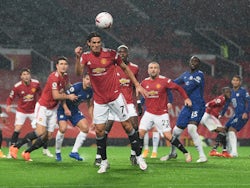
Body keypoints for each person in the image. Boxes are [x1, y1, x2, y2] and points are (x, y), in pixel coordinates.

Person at [75, 32, 148, 174]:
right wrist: (77, 58)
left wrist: (137, 85)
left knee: (128, 126)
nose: (96, 45)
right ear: (88, 44)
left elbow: (126, 68)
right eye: (93, 42)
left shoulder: (111, 54)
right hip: (100, 101)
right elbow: (78, 73)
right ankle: (104, 161)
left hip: (115, 97)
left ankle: (138, 157)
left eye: (98, 42)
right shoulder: (85, 57)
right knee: (99, 130)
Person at [10, 57, 78, 161]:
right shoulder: (54, 78)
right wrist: (69, 96)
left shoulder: (65, 77)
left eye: (65, 64)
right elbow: (56, 96)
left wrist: (77, 90)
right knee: (40, 132)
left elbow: (67, 88)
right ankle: (16, 147)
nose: (63, 66)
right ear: (57, 66)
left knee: (48, 135)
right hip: (43, 106)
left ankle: (27, 152)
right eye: (61, 64)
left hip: (53, 109)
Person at [94, 44, 141, 166]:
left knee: (135, 127)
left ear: (128, 53)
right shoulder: (112, 66)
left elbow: (136, 86)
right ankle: (99, 156)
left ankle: (133, 154)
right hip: (112, 101)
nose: (121, 54)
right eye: (119, 52)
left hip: (128, 102)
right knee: (104, 130)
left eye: (124, 52)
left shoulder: (134, 68)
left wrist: (139, 102)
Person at [138, 62, 192, 163]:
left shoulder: (165, 80)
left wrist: (186, 98)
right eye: (151, 68)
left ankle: (186, 152)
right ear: (148, 70)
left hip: (161, 114)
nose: (153, 70)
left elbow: (178, 88)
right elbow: (140, 93)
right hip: (149, 113)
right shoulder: (144, 82)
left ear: (159, 70)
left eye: (155, 68)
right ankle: (138, 156)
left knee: (168, 136)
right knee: (140, 133)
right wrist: (139, 104)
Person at [161, 56, 207, 163]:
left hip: (198, 105)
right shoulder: (185, 75)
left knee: (191, 128)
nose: (193, 63)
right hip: (187, 107)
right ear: (189, 63)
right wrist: (164, 83)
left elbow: (189, 87)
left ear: (199, 64)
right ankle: (172, 153)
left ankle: (202, 156)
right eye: (192, 61)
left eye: (196, 61)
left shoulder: (199, 74)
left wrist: (176, 88)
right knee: (176, 131)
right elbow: (173, 83)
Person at [6, 68, 53, 158]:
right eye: (24, 74)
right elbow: (10, 97)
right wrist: (8, 105)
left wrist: (45, 102)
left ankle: (45, 149)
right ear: (21, 76)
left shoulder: (36, 83)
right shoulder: (17, 86)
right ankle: (11, 151)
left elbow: (41, 93)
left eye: (27, 74)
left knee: (42, 131)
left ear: (30, 75)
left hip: (33, 111)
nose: (26, 76)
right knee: (17, 129)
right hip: (21, 111)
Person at [55, 73, 93, 161]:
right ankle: (57, 152)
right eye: (87, 79)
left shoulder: (90, 91)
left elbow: (90, 105)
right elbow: (62, 96)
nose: (89, 81)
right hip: (63, 109)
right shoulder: (75, 87)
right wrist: (66, 109)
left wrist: (93, 119)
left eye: (90, 79)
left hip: (74, 110)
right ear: (83, 79)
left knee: (85, 128)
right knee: (63, 128)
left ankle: (74, 152)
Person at [200, 86, 232, 158]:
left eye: (229, 92)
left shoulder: (225, 100)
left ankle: (224, 151)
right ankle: (214, 150)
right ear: (223, 93)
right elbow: (210, 104)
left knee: (223, 132)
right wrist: (207, 112)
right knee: (223, 131)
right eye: (227, 92)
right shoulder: (221, 99)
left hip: (211, 117)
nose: (229, 93)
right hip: (209, 116)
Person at [142, 90, 173, 158]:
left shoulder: (162, 83)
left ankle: (154, 151)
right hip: (149, 110)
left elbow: (169, 92)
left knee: (155, 130)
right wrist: (141, 104)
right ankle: (146, 149)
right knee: (144, 130)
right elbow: (143, 94)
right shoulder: (147, 82)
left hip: (159, 111)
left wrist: (170, 102)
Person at [225, 75, 250, 157]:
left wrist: (246, 112)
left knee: (232, 130)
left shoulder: (243, 91)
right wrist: (221, 113)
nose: (235, 82)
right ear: (232, 81)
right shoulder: (231, 92)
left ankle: (234, 152)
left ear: (240, 82)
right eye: (234, 80)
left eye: (237, 80)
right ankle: (228, 150)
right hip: (236, 115)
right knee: (226, 128)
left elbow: (249, 102)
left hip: (242, 114)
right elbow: (227, 104)